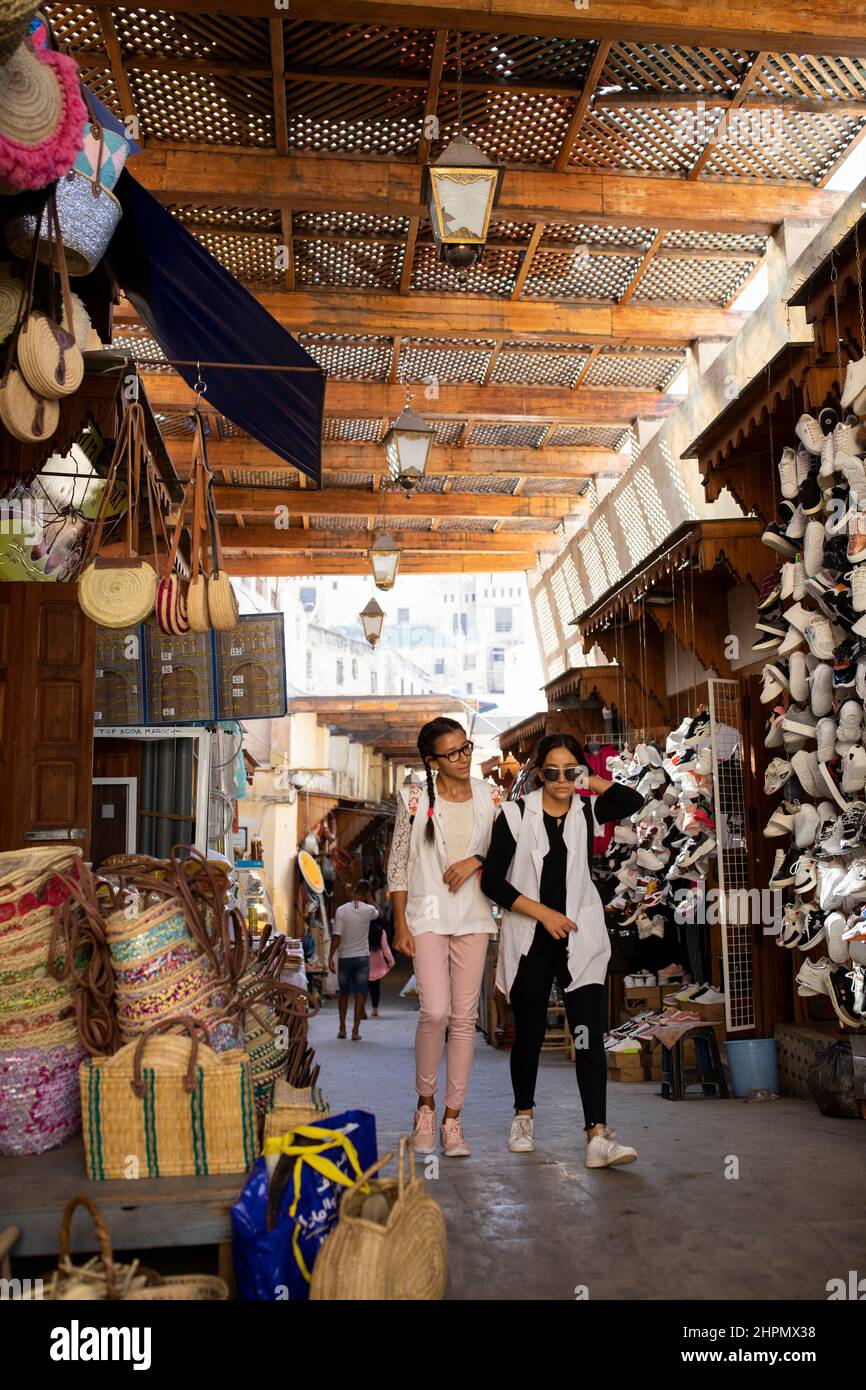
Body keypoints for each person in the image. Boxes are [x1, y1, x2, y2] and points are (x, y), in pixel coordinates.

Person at [481, 732, 643, 1169]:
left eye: (570, 770)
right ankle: (523, 1117)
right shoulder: (514, 816)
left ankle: (596, 1136)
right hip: (532, 940)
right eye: (551, 771)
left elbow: (633, 801)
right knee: (529, 1033)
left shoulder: (588, 807)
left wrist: (592, 782)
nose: (561, 779)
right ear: (537, 774)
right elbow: (492, 882)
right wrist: (543, 914)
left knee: (589, 1034)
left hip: (580, 938)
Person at [387, 717, 500, 1158]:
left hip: (473, 916)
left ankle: (454, 1119)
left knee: (464, 1020)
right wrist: (399, 924)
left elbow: (506, 854)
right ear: (432, 761)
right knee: (434, 1011)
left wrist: (475, 860)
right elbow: (398, 863)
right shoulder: (414, 798)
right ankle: (426, 1105)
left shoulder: (492, 795)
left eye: (466, 747)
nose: (463, 757)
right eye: (451, 753)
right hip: (427, 916)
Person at [328, 879, 378, 1041]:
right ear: (365, 895)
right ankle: (355, 1031)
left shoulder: (341, 911)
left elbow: (337, 936)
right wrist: (368, 897)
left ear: (353, 891)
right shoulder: (369, 910)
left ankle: (342, 1028)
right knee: (360, 994)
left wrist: (330, 957)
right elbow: (378, 911)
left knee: (344, 993)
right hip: (363, 958)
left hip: (345, 959)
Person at [368, 915, 395, 1017]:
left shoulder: (361, 929)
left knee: (363, 986)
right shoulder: (380, 931)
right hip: (376, 960)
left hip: (363, 958)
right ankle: (375, 1010)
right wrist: (390, 960)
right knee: (375, 986)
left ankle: (361, 1008)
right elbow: (385, 947)